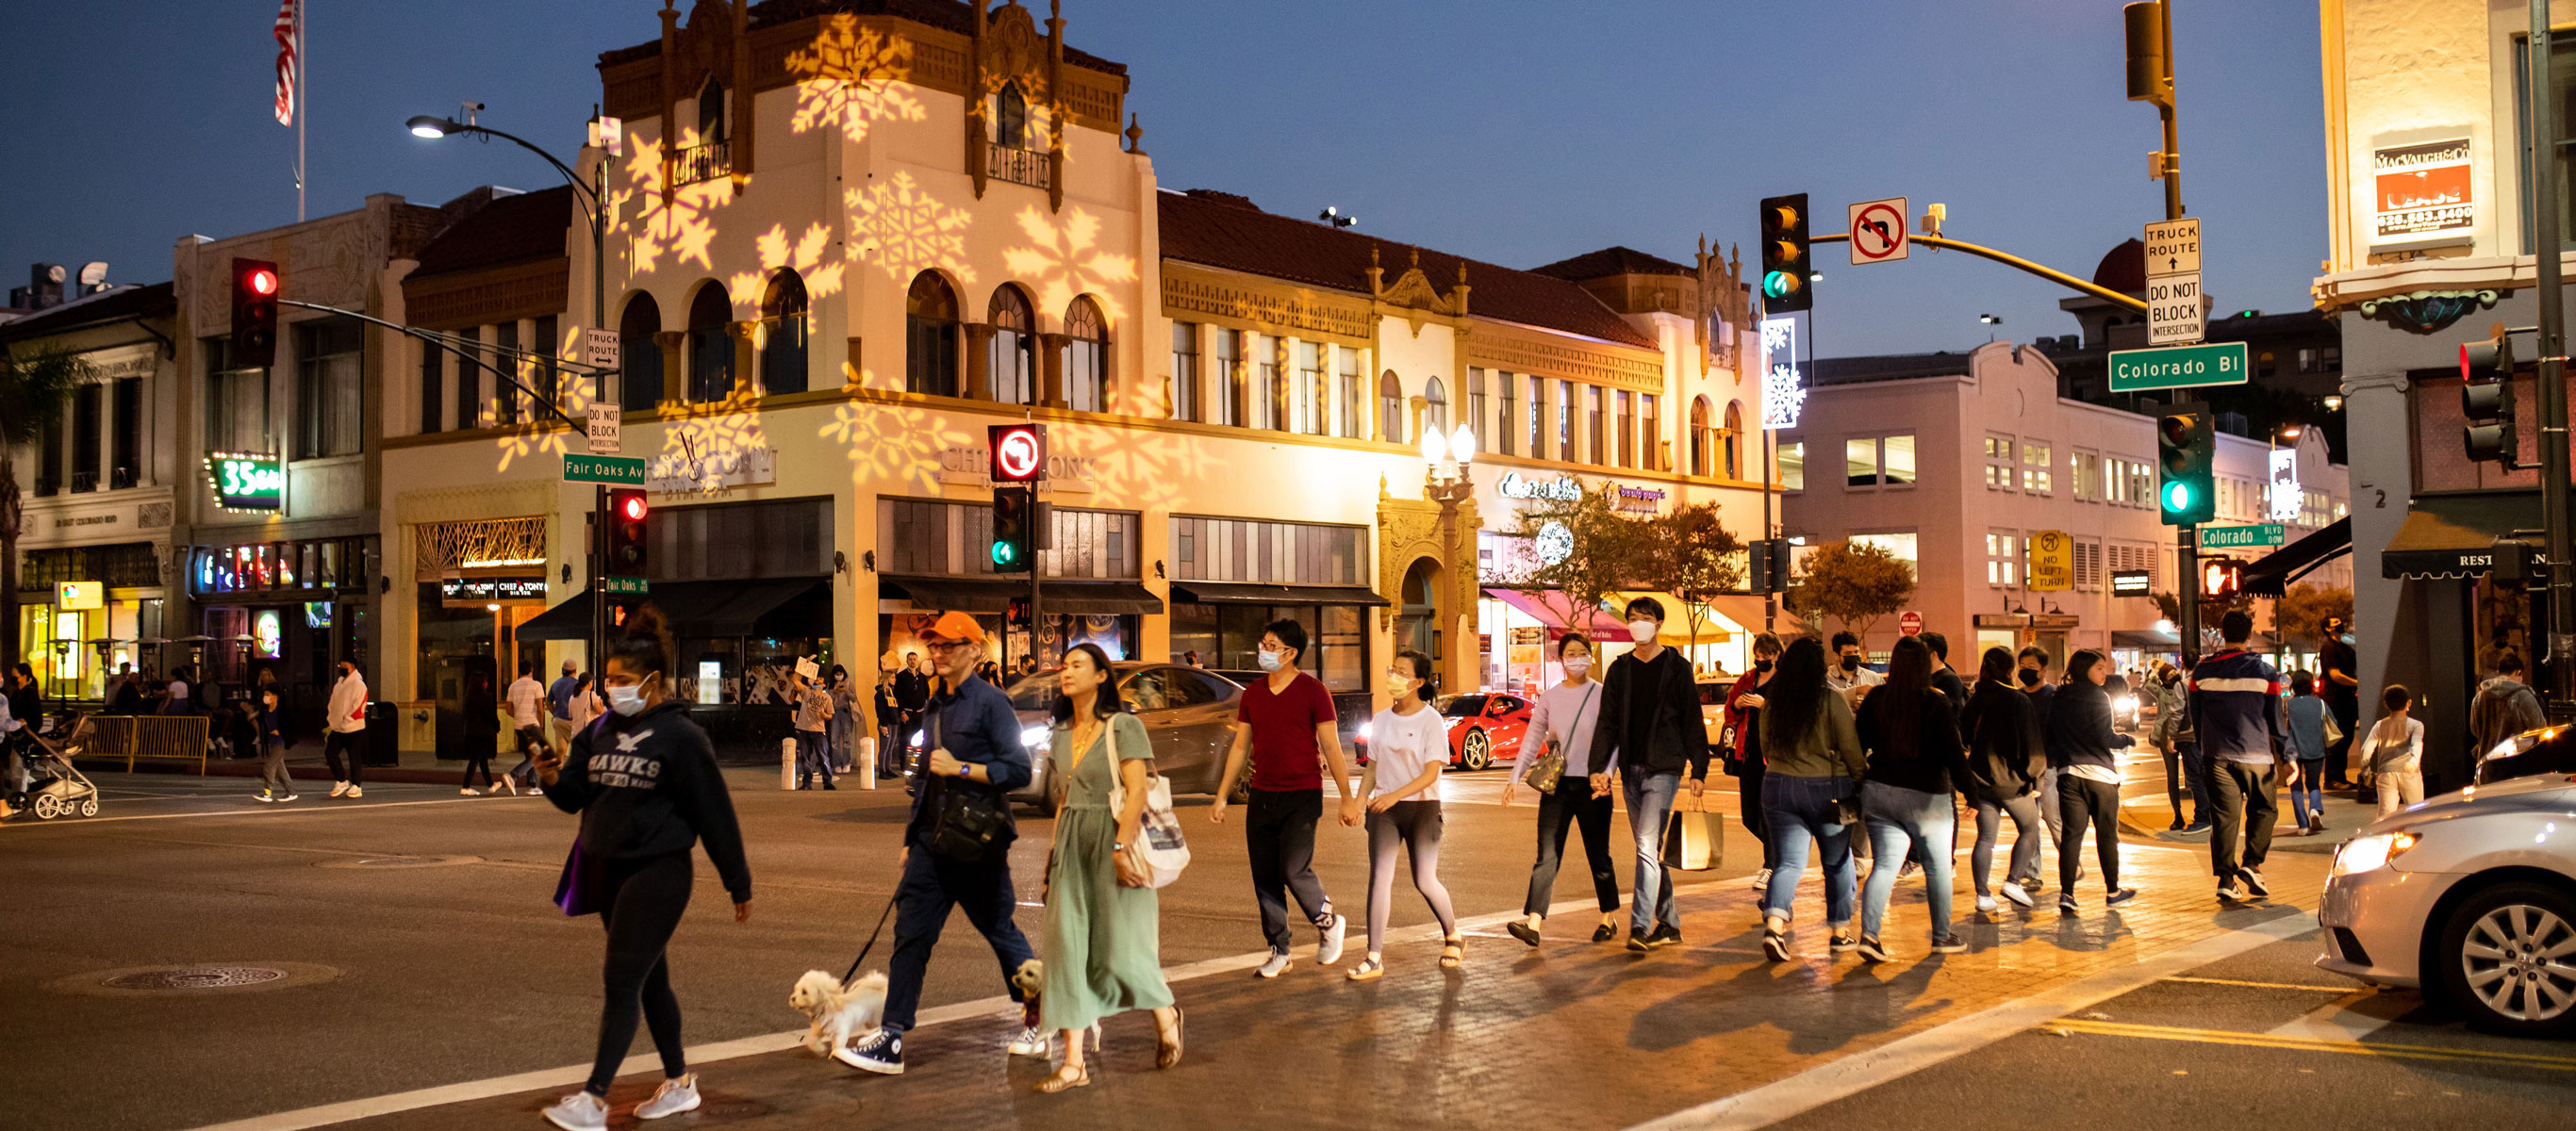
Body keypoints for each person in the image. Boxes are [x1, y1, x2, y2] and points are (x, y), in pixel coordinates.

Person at [531, 604, 751, 1130]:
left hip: (660, 871)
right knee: (649, 980)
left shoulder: (681, 739)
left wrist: (737, 882)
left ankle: (594, 1099)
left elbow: (715, 814)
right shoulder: (599, 732)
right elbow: (576, 797)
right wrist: (550, 777)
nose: (612, 688)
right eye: (608, 679)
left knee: (622, 977)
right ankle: (678, 1083)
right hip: (607, 870)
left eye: (622, 680)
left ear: (653, 683)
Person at [841, 612, 1043, 1075]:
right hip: (932, 844)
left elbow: (1018, 770)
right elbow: (928, 783)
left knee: (1000, 931)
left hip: (978, 845)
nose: (939, 652)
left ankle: (1038, 1011)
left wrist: (963, 769)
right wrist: (911, 840)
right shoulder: (935, 706)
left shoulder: (992, 704)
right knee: (910, 936)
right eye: (934, 645)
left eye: (949, 645)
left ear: (974, 649)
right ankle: (892, 1037)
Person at [1034, 642, 1182, 1092]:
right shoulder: (1060, 734)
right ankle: (1074, 1063)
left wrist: (1120, 846)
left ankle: (1165, 1013)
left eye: (1078, 665)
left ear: (1101, 676)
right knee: (1066, 953)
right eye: (1064, 665)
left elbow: (1136, 791)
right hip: (1072, 845)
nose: (1067, 671)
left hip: (1115, 838)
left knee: (1122, 951)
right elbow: (1063, 799)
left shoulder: (1124, 726)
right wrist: (1051, 859)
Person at [1208, 618, 1357, 978]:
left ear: (1291, 653)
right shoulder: (1253, 694)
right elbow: (1241, 745)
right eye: (1263, 643)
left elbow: (1332, 746)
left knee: (1293, 868)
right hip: (1262, 793)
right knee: (1265, 876)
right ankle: (1279, 949)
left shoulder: (1313, 691)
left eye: (1271, 645)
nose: (1264, 650)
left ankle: (1328, 921)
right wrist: (1222, 795)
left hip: (1302, 793)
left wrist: (1348, 798)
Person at [1588, 597, 1711, 952]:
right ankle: (1669, 923)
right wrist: (1599, 768)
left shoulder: (1676, 667)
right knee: (1652, 849)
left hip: (1664, 768)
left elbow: (1691, 719)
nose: (1637, 623)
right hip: (1631, 768)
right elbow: (1607, 722)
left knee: (1644, 845)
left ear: (1658, 624)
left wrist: (1699, 768)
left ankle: (1640, 926)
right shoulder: (1620, 669)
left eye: (1644, 618)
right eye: (1632, 618)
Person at [1348, 648, 1461, 979]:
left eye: (1400, 672)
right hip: (1384, 810)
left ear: (1418, 681)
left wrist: (1395, 795)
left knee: (1424, 880)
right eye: (1391, 669)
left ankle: (1453, 934)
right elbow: (1372, 768)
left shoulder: (1431, 720)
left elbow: (1431, 774)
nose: (1392, 677)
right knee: (1380, 876)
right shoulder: (1382, 719)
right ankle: (1374, 956)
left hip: (1423, 808)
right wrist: (1359, 801)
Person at [1501, 632, 1621, 946]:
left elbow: (1614, 741)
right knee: (1547, 856)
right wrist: (1514, 778)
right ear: (1561, 659)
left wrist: (1607, 774)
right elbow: (1532, 739)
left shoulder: (1603, 694)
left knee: (1599, 855)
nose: (1577, 658)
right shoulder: (1550, 697)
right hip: (1557, 786)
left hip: (1594, 785)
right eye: (1570, 653)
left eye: (1582, 652)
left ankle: (1608, 917)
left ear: (1591, 656)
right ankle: (1534, 923)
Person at [1852, 636, 1968, 959]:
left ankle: (1869, 936)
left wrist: (1858, 782)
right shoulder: (1936, 701)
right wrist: (1971, 792)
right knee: (1938, 867)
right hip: (1927, 798)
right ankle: (1942, 937)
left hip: (1880, 792)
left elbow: (1857, 746)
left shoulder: (1876, 699)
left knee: (1885, 865)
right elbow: (1954, 755)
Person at [1758, 636, 1865, 961]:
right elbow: (1851, 751)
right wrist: (1859, 780)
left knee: (1788, 862)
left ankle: (1775, 927)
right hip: (1825, 790)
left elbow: (1764, 748)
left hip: (1777, 786)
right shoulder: (1830, 701)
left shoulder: (1774, 702)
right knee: (1836, 861)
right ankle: (1840, 932)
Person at [2191, 611, 2287, 904]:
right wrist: (2288, 755)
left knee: (2224, 818)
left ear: (2222, 632)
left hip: (2215, 754)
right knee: (2265, 809)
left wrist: (2203, 747)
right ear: (2248, 635)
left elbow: (2196, 717)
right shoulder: (2265, 672)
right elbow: (2276, 720)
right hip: (2256, 754)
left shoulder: (2202, 672)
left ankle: (2225, 880)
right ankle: (2252, 864)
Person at [2045, 649, 2138, 912]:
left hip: (2068, 774)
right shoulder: (2099, 697)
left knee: (2071, 836)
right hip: (2100, 776)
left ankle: (2067, 894)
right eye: (2098, 668)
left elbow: (2050, 736)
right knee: (2107, 835)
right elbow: (2104, 736)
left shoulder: (2059, 697)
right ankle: (2112, 890)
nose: (2103, 673)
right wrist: (2125, 740)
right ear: (2085, 668)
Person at [1958, 647, 2045, 911]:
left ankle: (1983, 895)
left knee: (1985, 838)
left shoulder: (1975, 700)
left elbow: (1963, 739)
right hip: (2012, 782)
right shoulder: (2017, 700)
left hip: (1981, 780)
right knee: (2030, 828)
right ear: (2011, 670)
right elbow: (2032, 746)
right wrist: (2035, 779)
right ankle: (2013, 881)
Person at [1718, 633, 1786, 896]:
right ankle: (1779, 855)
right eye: (1757, 656)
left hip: (1773, 755)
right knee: (1749, 817)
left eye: (1766, 656)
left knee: (1768, 811)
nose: (1761, 660)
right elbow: (1729, 711)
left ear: (1776, 655)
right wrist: (1737, 703)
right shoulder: (1747, 679)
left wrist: (1764, 705)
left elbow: (1787, 715)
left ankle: (1771, 864)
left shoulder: (1784, 681)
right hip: (1747, 754)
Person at [2147, 660, 2206, 832]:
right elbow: (2149, 685)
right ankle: (2178, 815)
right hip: (2168, 736)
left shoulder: (2185, 686)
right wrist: (2156, 668)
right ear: (2163, 679)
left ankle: (2202, 812)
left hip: (2185, 735)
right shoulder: (2161, 691)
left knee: (2194, 775)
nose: (2173, 676)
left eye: (2174, 673)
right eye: (2169, 675)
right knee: (2173, 777)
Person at [2469, 653, 2546, 768]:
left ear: (2498, 672)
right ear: (2518, 673)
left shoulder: (2480, 697)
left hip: (2486, 765)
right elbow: (2540, 728)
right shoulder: (2522, 696)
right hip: (2515, 765)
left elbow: (2475, 729)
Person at [2360, 684, 2426, 817]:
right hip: (2409, 772)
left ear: (2385, 704)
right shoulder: (2416, 725)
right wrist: (2413, 762)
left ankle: (2385, 837)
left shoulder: (2380, 725)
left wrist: (2366, 771)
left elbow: (2366, 749)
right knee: (2417, 812)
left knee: (2386, 815)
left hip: (2386, 772)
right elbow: (2417, 745)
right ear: (2409, 702)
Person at [2283, 672, 2331, 835]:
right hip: (2316, 749)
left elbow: (2280, 728)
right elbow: (2333, 723)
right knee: (2314, 783)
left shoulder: (2287, 705)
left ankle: (2303, 825)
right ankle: (2315, 809)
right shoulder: (2320, 704)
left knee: (2296, 788)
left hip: (2292, 752)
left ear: (2293, 686)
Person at [2319, 617, 2361, 790]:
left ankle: (2340, 777)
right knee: (2337, 739)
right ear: (2328, 628)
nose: (2340, 625)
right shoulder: (2329, 648)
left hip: (2348, 698)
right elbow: (2335, 675)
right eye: (2335, 623)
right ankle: (2332, 779)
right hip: (2337, 699)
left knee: (2347, 737)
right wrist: (2357, 682)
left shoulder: (2345, 646)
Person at [324, 658, 370, 799]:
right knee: (330, 753)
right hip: (338, 727)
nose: (342, 669)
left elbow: (358, 706)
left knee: (354, 757)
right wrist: (331, 719)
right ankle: (342, 781)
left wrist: (347, 720)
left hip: (354, 728)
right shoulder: (339, 685)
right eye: (341, 666)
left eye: (345, 667)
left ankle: (356, 786)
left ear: (353, 667)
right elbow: (332, 703)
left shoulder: (359, 685)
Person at [501, 660, 547, 796]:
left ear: (519, 671)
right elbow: (540, 708)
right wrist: (541, 723)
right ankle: (513, 775)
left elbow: (508, 709)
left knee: (530, 755)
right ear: (531, 671)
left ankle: (532, 784)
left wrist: (519, 716)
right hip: (532, 725)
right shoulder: (536, 685)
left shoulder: (513, 686)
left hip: (519, 726)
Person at [251, 668, 293, 803]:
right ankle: (290, 792)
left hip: (281, 741)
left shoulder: (281, 710)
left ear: (275, 696)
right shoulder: (266, 710)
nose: (266, 697)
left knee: (269, 766)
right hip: (272, 741)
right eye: (265, 694)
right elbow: (259, 716)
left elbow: (290, 724)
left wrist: (279, 731)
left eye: (268, 694)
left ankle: (267, 792)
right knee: (280, 768)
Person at [791, 664, 835, 791]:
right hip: (804, 728)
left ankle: (827, 782)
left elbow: (830, 715)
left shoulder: (827, 698)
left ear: (824, 685)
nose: (817, 680)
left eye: (820, 679)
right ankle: (807, 783)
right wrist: (802, 667)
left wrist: (824, 715)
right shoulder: (806, 691)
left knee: (823, 755)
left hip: (818, 730)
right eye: (816, 678)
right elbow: (795, 680)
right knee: (805, 756)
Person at [1826, 631, 1884, 707]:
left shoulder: (1874, 678)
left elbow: (1887, 705)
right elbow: (1826, 700)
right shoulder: (1826, 679)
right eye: (1848, 653)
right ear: (1836, 655)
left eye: (1856, 652)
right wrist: (1857, 691)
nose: (1853, 656)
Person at [1923, 632, 1968, 715]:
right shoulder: (1928, 677)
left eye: (1921, 653)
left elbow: (1949, 716)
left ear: (1933, 655)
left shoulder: (1950, 680)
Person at [827, 664, 859, 775]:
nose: (839, 676)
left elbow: (854, 698)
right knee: (834, 739)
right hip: (835, 712)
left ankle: (846, 762)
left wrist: (846, 690)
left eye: (841, 674)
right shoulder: (830, 685)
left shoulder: (849, 683)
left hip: (846, 712)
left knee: (847, 738)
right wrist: (834, 691)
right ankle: (836, 763)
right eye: (837, 674)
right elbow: (828, 700)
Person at [548, 661, 582, 757]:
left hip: (558, 721)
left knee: (560, 750)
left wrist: (556, 713)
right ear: (575, 671)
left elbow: (549, 702)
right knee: (579, 750)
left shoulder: (555, 684)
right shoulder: (578, 685)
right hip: (573, 722)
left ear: (562, 670)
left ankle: (559, 770)